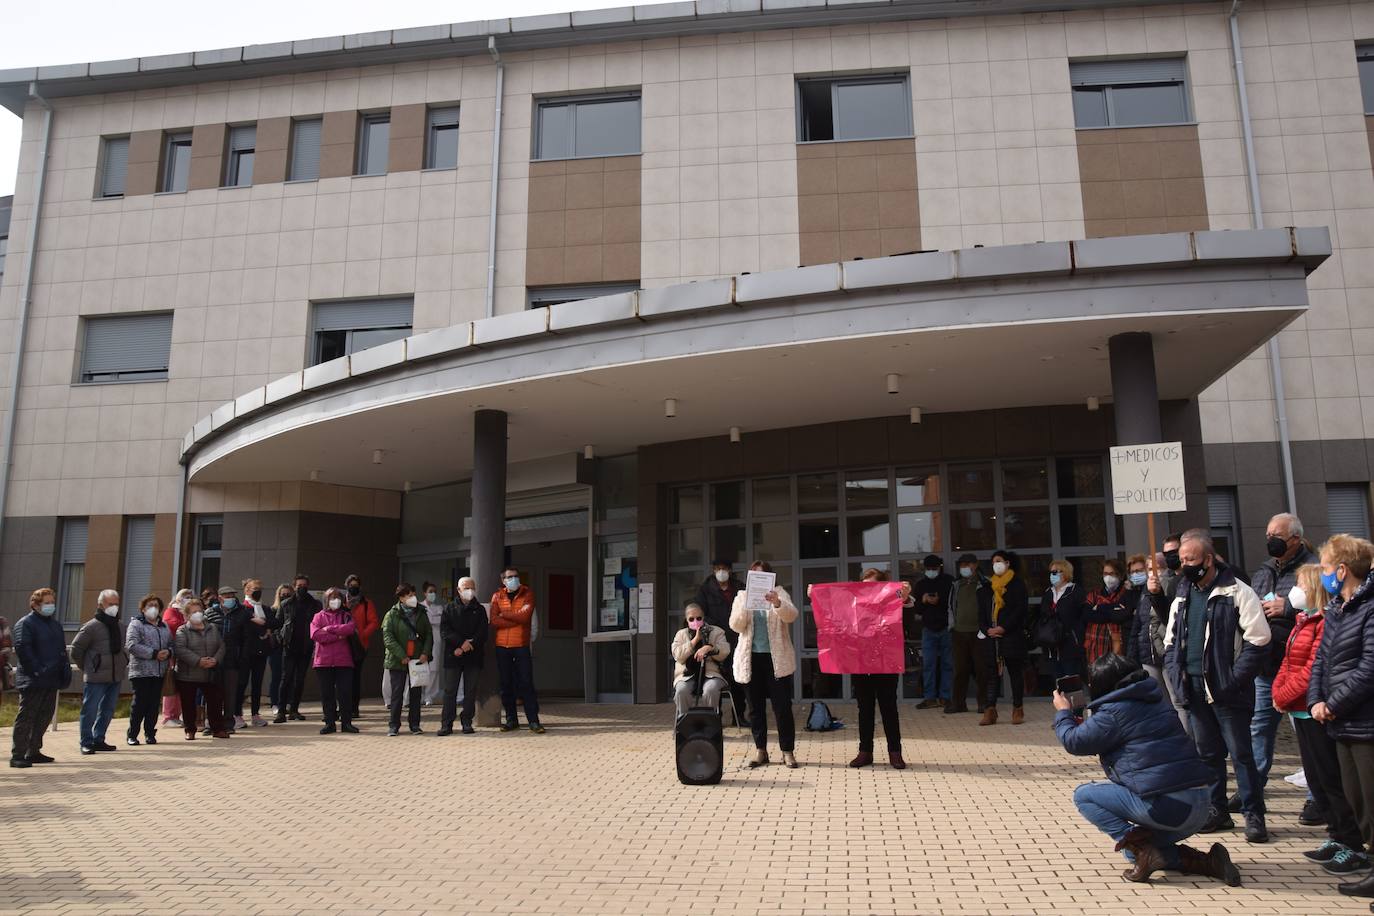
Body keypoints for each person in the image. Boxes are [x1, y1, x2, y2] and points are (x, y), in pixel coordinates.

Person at [1056, 653, 1241, 887]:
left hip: (1171, 807)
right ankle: (1209, 862)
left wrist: (1063, 712)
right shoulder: (1154, 701)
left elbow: (1074, 742)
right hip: (1202, 805)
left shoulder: (1114, 712)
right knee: (1134, 854)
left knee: (1084, 796)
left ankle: (1141, 846)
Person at [1162, 530, 1271, 843]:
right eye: (1182, 560)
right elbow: (1170, 645)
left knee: (1242, 755)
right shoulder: (1182, 595)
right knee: (1207, 755)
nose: (1184, 566)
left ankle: (1254, 816)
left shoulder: (1238, 592)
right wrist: (1176, 675)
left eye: (1191, 560)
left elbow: (1258, 641)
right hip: (1193, 689)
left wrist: (1234, 680)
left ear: (1208, 559)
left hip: (1227, 691)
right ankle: (1217, 811)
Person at [1273, 563, 1367, 875]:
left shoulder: (1325, 620)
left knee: (1333, 779)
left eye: (1300, 583)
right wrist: (1279, 691)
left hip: (1316, 710)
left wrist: (1287, 695)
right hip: (1301, 709)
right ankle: (1336, 835)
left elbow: (1314, 667)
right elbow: (1289, 662)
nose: (1294, 591)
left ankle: (1351, 841)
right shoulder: (1303, 619)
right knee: (1317, 779)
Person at [1309, 534, 1374, 898]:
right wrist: (1315, 698)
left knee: (1372, 800)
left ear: (1343, 569)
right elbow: (1322, 659)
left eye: (1327, 568)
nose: (1324, 574)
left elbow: (1369, 667)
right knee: (1358, 801)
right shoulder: (1338, 607)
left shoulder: (1369, 607)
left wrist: (1333, 703)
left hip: (1364, 720)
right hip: (1341, 722)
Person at [1247, 512, 1318, 816]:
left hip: (1301, 667)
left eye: (1277, 535)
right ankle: (1253, 790)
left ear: (1296, 539)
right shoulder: (1264, 570)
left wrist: (1287, 607)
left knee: (1308, 735)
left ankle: (1317, 797)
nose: (1271, 540)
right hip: (1267, 664)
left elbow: (1323, 605)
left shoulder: (1313, 568)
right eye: (1268, 535)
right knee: (1259, 729)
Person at [731, 560, 799, 768]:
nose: (757, 579)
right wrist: (745, 606)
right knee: (755, 708)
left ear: (770, 577)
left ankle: (787, 751)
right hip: (751, 659)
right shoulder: (742, 596)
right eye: (753, 575)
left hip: (776, 659)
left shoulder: (779, 592)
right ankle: (761, 750)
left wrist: (777, 603)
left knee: (782, 707)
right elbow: (735, 625)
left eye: (761, 575)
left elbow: (792, 615)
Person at [848, 568, 910, 769]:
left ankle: (895, 753)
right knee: (864, 710)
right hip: (861, 663)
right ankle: (865, 752)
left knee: (888, 708)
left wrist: (906, 594)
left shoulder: (891, 600)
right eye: (864, 585)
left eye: (873, 585)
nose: (869, 589)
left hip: (886, 663)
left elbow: (907, 601)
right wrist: (814, 594)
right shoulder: (854, 603)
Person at [9, 588, 70, 767]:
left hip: (51, 679)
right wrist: (37, 670)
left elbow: (61, 651)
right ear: (35, 604)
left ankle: (33, 750)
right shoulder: (25, 623)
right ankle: (18, 754)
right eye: (47, 602)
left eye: (52, 602)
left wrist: (62, 670)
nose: (51, 606)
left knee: (44, 715)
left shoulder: (55, 625)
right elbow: (23, 649)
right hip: (33, 679)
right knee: (27, 717)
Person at [70, 588, 127, 755]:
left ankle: (99, 738)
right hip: (96, 676)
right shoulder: (91, 627)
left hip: (115, 676)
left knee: (108, 710)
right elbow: (76, 651)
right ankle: (86, 742)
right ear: (101, 605)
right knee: (90, 710)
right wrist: (88, 667)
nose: (114, 607)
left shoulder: (120, 626)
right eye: (110, 604)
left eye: (116, 604)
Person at [490, 566, 544, 733]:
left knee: (526, 684)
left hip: (521, 645)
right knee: (506, 685)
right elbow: (493, 620)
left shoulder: (528, 593)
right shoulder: (497, 596)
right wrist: (516, 619)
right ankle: (511, 720)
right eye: (510, 577)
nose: (514, 579)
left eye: (516, 576)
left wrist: (504, 615)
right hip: (502, 647)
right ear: (503, 580)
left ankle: (533, 721)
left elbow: (525, 617)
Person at [981, 549, 1029, 726]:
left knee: (1015, 673)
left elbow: (1020, 610)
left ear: (1008, 563)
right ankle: (990, 711)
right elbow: (982, 614)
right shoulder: (988, 587)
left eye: (999, 561)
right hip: (991, 639)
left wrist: (1003, 628)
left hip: (1011, 637)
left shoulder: (1017, 584)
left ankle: (1018, 709)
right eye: (994, 562)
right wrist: (988, 629)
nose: (996, 564)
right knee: (992, 675)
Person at [696, 560, 748, 725]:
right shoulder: (705, 590)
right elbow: (701, 614)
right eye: (717, 569)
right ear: (713, 571)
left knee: (738, 680)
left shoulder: (740, 587)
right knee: (715, 679)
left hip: (737, 640)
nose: (721, 572)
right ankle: (715, 718)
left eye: (724, 569)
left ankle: (738, 717)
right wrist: (717, 630)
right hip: (715, 642)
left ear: (730, 570)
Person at [173, 598, 229, 740]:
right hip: (188, 674)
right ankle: (190, 730)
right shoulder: (182, 630)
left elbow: (221, 646)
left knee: (215, 702)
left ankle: (217, 729)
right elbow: (180, 649)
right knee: (188, 704)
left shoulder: (212, 628)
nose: (197, 614)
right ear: (187, 615)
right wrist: (199, 661)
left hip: (210, 673)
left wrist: (215, 660)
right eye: (193, 612)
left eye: (199, 611)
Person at [438, 576, 488, 735]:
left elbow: (483, 632)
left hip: (473, 655)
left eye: (472, 587)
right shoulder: (449, 608)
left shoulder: (479, 609)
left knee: (470, 691)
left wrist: (468, 645)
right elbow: (445, 631)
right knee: (450, 691)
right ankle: (447, 724)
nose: (470, 590)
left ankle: (467, 721)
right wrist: (460, 644)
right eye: (466, 588)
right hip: (454, 655)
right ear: (458, 590)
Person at [382, 582, 433, 737]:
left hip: (417, 659)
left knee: (416, 694)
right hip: (398, 660)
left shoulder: (421, 613)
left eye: (413, 594)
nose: (412, 598)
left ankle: (415, 725)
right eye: (409, 595)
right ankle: (394, 726)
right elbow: (388, 638)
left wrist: (425, 653)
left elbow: (429, 635)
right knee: (397, 693)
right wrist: (401, 655)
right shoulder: (392, 614)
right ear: (401, 598)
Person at [124, 594, 172, 746]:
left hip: (159, 672)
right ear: (143, 608)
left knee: (153, 705)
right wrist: (153, 653)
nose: (153, 609)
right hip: (141, 672)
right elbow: (131, 645)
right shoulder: (136, 624)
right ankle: (132, 734)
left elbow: (172, 644)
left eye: (156, 606)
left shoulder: (164, 626)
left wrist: (168, 652)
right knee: (139, 704)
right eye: (150, 605)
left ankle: (150, 733)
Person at [311, 586, 359, 735]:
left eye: (338, 597)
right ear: (326, 600)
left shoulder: (346, 615)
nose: (335, 600)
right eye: (332, 597)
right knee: (327, 694)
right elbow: (316, 634)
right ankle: (329, 723)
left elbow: (350, 629)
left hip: (343, 660)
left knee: (345, 693)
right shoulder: (318, 616)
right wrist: (337, 635)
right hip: (323, 662)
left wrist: (329, 629)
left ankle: (346, 723)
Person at [947, 553, 992, 715]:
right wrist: (952, 625)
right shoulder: (956, 584)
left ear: (976, 564)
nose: (965, 567)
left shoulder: (984, 583)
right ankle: (958, 703)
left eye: (968, 564)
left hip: (979, 632)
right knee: (960, 670)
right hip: (959, 632)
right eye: (962, 564)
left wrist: (987, 627)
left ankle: (983, 703)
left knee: (981, 669)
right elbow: (951, 606)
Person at [671, 601, 730, 718]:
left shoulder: (716, 631)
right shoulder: (681, 634)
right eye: (691, 619)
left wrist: (710, 648)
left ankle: (711, 723)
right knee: (681, 690)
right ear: (686, 620)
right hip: (686, 674)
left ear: (703, 617)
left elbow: (725, 651)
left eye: (698, 618)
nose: (695, 622)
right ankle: (684, 723)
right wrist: (695, 641)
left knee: (711, 689)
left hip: (711, 673)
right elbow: (678, 655)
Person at [275, 574, 319, 723]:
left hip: (306, 647)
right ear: (294, 587)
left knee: (300, 680)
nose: (301, 588)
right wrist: (281, 639)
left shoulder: (315, 604)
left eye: (304, 586)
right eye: (299, 586)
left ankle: (294, 710)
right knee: (286, 678)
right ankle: (281, 711)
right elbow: (277, 624)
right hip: (289, 647)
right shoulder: (286, 604)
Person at [913, 554, 954, 710]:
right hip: (928, 629)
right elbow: (917, 609)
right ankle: (929, 698)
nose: (931, 571)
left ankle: (945, 697)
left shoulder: (949, 582)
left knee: (947, 664)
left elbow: (953, 603)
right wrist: (923, 601)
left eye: (934, 568)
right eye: (928, 569)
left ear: (940, 568)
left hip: (946, 628)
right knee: (928, 665)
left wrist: (939, 600)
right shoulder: (921, 584)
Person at [207, 585, 250, 730]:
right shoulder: (210, 613)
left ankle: (228, 724)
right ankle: (212, 723)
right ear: (220, 598)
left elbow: (246, 638)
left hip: (233, 658)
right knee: (213, 693)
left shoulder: (243, 613)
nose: (231, 598)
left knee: (230, 694)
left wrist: (242, 657)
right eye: (227, 596)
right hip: (214, 659)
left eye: (232, 596)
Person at [1037, 558, 1087, 681]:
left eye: (1055, 572)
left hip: (1070, 643)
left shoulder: (1075, 591)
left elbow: (1082, 616)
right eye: (1051, 572)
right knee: (1058, 680)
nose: (1052, 575)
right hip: (1051, 645)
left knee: (1071, 679)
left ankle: (1072, 701)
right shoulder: (1048, 592)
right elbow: (1043, 614)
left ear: (1065, 573)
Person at [239, 577, 276, 727]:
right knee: (241, 684)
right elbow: (242, 625)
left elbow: (274, 622)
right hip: (246, 651)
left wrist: (265, 627)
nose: (258, 591)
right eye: (255, 589)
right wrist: (256, 623)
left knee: (257, 684)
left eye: (260, 588)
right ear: (246, 590)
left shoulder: (265, 608)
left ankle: (255, 714)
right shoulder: (243, 608)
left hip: (261, 651)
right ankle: (237, 714)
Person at [343, 573, 379, 718]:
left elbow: (374, 621)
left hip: (359, 644)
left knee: (355, 678)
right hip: (342, 644)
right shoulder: (341, 602)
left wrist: (362, 633)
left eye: (356, 585)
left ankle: (354, 708)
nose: (353, 588)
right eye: (351, 585)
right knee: (342, 679)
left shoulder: (366, 603)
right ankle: (343, 707)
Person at [1083, 558, 1131, 666]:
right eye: (1105, 573)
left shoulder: (1125, 593)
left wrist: (1099, 608)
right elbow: (1086, 614)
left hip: (1117, 644)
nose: (1108, 577)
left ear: (1120, 575)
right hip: (1096, 645)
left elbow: (1123, 614)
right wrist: (1112, 611)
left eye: (1112, 573)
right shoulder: (1095, 594)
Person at [161, 588, 193, 729]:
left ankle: (177, 715)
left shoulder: (187, 612)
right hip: (173, 655)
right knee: (171, 686)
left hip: (185, 654)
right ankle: (168, 716)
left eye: (190, 597)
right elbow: (173, 624)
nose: (188, 599)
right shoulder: (171, 611)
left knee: (181, 687)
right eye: (185, 596)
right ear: (178, 598)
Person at [421, 581, 445, 706]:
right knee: (421, 669)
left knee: (434, 669)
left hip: (436, 641)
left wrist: (432, 620)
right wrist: (432, 620)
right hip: (422, 641)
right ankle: (420, 695)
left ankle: (430, 695)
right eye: (430, 592)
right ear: (424, 593)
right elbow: (424, 622)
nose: (432, 594)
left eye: (434, 592)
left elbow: (441, 622)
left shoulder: (439, 608)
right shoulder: (419, 607)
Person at [267, 583, 290, 713]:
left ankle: (287, 702)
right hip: (276, 647)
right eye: (283, 594)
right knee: (276, 676)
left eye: (288, 594)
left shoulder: (293, 609)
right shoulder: (272, 610)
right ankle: (275, 703)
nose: (285, 596)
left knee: (288, 676)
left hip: (290, 646)